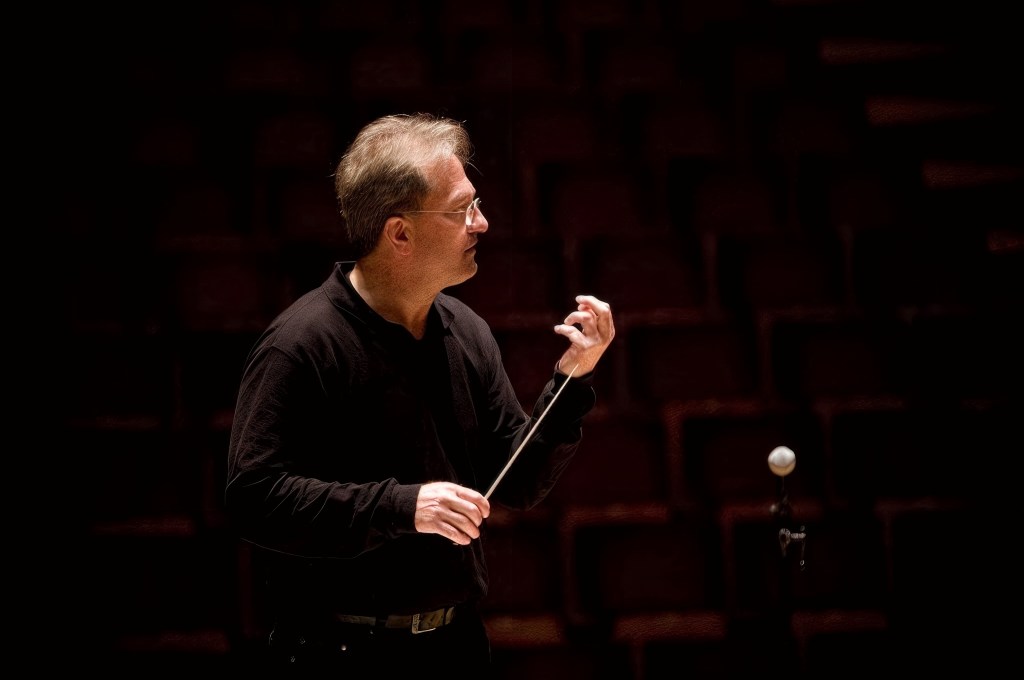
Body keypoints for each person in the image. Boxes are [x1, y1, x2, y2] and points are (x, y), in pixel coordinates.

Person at [225, 113, 615, 678]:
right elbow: (254, 498)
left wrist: (571, 379)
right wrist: (404, 506)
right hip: (336, 653)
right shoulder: (301, 343)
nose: (482, 223)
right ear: (399, 233)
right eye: (463, 210)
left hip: (453, 647)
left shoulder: (466, 329)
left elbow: (521, 480)